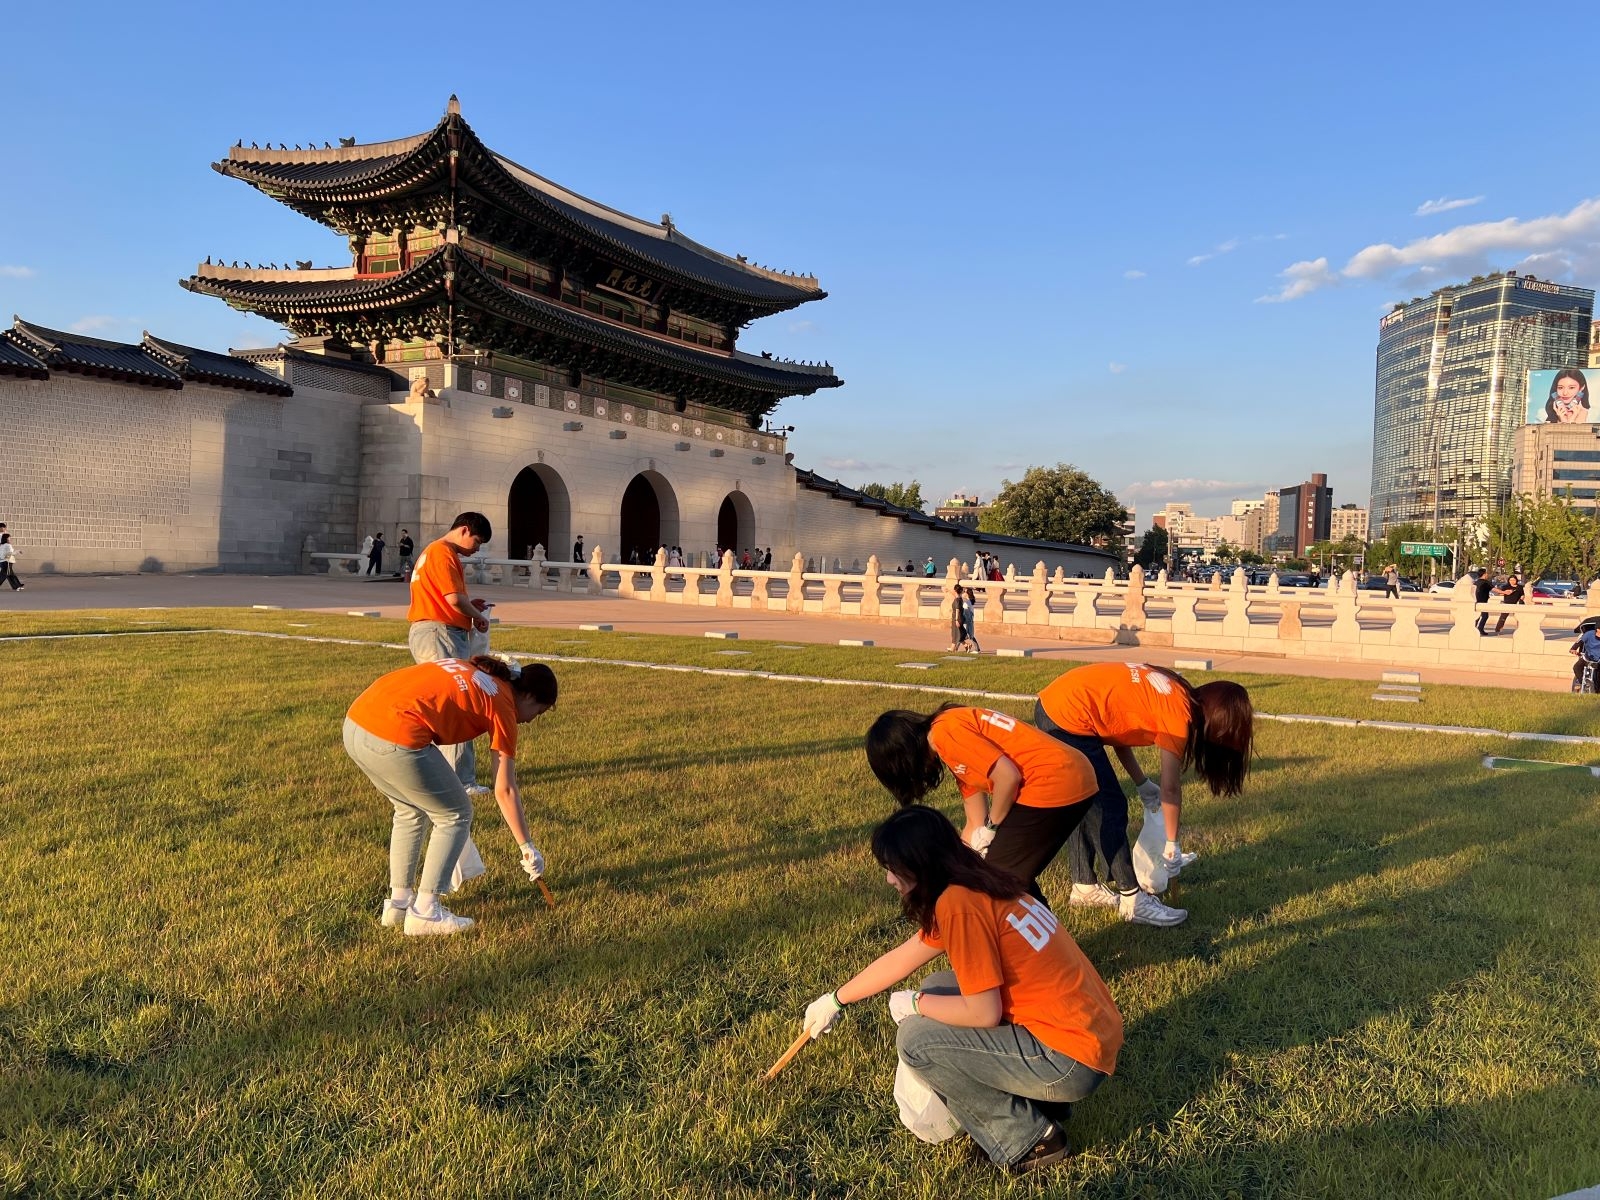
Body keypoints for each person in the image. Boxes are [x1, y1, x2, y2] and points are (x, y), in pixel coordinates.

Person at [799, 806, 1122, 1174]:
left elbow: (983, 1013)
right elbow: (904, 958)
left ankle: (1028, 1140)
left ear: (919, 865)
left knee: (916, 1040)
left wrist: (918, 1005)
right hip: (1085, 1034)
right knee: (938, 984)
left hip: (1069, 1061)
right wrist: (836, 998)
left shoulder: (958, 905)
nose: (889, 880)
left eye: (892, 868)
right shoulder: (975, 881)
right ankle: (1041, 1102)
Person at [865, 703, 1177, 923]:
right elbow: (973, 823)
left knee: (1000, 877)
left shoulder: (945, 734)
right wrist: (958, 859)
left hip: (1056, 781)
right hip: (1066, 775)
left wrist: (992, 827)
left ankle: (1043, 950)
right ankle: (1045, 940)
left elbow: (1007, 777)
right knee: (1002, 871)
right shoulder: (947, 737)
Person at [344, 656, 557, 935]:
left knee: (410, 810)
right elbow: (504, 788)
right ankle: (426, 912)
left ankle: (398, 905)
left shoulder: (475, 669)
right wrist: (527, 846)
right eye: (538, 712)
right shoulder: (503, 703)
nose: (530, 720)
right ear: (528, 695)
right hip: (396, 733)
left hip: (356, 724)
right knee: (456, 814)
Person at [1035, 663, 1254, 920]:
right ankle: (1133, 899)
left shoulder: (1176, 690)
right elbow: (1171, 790)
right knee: (1110, 807)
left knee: (1087, 802)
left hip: (1057, 703)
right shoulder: (1177, 715)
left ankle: (1085, 887)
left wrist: (1141, 783)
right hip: (1067, 717)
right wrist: (1172, 843)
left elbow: (1116, 730)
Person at [408, 512, 494, 796]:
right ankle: (461, 781)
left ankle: (438, 773)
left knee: (443, 705)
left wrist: (471, 606)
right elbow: (453, 600)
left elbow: (450, 598)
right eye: (477, 542)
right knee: (457, 702)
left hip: (432, 631)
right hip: (440, 633)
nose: (477, 549)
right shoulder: (443, 552)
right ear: (464, 530)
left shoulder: (432, 552)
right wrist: (477, 618)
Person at [1474, 568, 1496, 635]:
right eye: (1486, 573)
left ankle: (1473, 628)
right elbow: (1494, 589)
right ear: (1484, 574)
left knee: (1476, 616)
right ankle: (1480, 628)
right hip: (1483, 602)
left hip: (1476, 601)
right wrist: (1504, 592)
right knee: (1485, 616)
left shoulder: (1476, 582)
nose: (1487, 575)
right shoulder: (1486, 582)